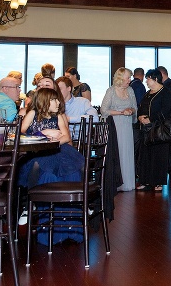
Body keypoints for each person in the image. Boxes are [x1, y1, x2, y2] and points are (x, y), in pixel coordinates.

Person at [18, 87, 85, 241]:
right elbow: (21, 132)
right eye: (54, 100)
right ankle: (47, 228)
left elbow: (66, 137)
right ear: (45, 101)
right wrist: (44, 134)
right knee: (47, 173)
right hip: (39, 153)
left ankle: (71, 227)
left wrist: (52, 141)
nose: (58, 102)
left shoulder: (59, 116)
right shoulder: (32, 114)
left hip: (60, 151)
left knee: (72, 172)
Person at [136, 69, 171, 192]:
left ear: (155, 79)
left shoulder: (166, 92)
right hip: (146, 130)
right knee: (145, 155)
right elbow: (141, 107)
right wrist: (140, 117)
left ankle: (158, 182)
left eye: (148, 78)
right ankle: (145, 180)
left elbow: (166, 111)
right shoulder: (147, 93)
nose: (146, 81)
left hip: (159, 130)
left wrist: (150, 119)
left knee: (159, 155)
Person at [100, 68, 137, 192]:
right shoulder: (111, 91)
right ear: (120, 78)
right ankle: (116, 182)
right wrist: (121, 112)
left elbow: (135, 107)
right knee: (117, 151)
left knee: (127, 152)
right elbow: (103, 110)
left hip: (127, 125)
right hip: (115, 125)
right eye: (128, 78)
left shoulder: (130, 90)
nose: (129, 80)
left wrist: (131, 111)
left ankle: (127, 182)